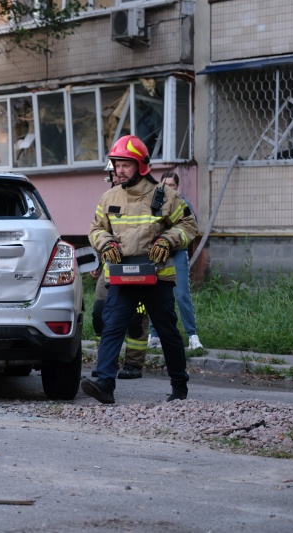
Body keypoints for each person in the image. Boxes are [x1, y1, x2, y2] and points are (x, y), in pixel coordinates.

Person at [81, 135, 198, 404]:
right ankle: (105, 385)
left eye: (125, 165)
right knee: (112, 327)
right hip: (122, 276)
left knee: (167, 331)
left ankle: (179, 386)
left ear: (141, 166)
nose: (119, 170)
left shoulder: (165, 196)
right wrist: (105, 242)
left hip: (156, 275)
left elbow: (189, 225)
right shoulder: (109, 196)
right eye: (116, 165)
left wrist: (169, 240)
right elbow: (96, 228)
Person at [90, 161, 149, 380]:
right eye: (114, 171)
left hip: (138, 267)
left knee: (137, 317)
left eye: (123, 169)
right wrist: (97, 263)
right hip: (110, 269)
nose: (118, 175)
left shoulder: (143, 198)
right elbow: (99, 231)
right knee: (99, 314)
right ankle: (107, 360)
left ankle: (134, 364)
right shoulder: (108, 199)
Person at [148, 171, 203, 350]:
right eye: (166, 185)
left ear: (177, 187)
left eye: (172, 185)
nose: (169, 189)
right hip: (157, 256)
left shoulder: (183, 204)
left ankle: (192, 336)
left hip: (177, 254)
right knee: (154, 295)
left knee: (181, 295)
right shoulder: (155, 203)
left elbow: (192, 228)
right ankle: (154, 336)